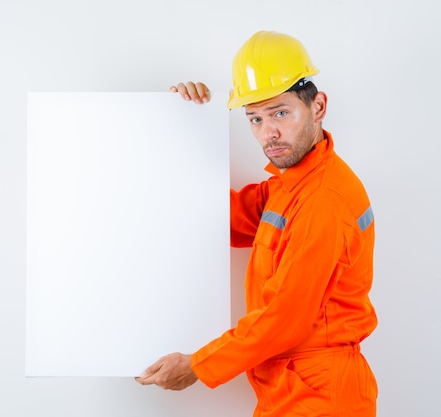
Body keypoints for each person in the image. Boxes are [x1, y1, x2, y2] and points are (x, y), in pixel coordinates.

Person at [136, 30, 378, 417]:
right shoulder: (290, 185)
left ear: (318, 106)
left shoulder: (323, 199)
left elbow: (284, 318)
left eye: (281, 112)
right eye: (255, 118)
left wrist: (197, 365)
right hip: (288, 390)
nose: (269, 133)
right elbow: (214, 219)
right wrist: (179, 120)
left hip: (321, 396)